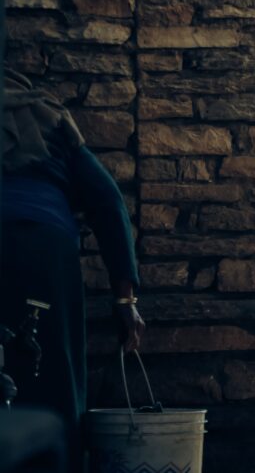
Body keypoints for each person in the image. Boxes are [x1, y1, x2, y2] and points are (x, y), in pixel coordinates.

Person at [0, 69, 145, 470]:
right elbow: (108, 202)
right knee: (53, 372)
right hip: (42, 252)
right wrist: (124, 300)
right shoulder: (48, 119)